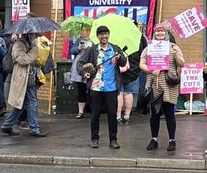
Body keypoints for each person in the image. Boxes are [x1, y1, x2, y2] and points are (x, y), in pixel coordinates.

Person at [76, 24, 129, 148]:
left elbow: (123, 63)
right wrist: (84, 73)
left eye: (106, 34)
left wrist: (119, 58)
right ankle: (95, 139)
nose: (104, 36)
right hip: (96, 87)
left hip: (111, 87)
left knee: (112, 115)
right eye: (101, 34)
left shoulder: (115, 49)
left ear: (108, 35)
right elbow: (79, 63)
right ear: (97, 36)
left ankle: (113, 140)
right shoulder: (92, 50)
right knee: (95, 115)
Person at [140, 23, 185, 152]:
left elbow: (182, 63)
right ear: (154, 33)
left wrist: (176, 54)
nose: (160, 33)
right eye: (157, 31)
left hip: (169, 84)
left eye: (162, 31)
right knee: (154, 114)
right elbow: (141, 64)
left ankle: (172, 140)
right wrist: (150, 69)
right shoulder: (149, 48)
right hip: (154, 83)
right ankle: (154, 139)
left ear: (166, 33)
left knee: (169, 113)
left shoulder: (173, 47)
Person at [0, 33, 48, 138]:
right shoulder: (19, 44)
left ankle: (7, 125)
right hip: (23, 78)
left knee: (21, 104)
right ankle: (34, 128)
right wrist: (35, 51)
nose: (34, 36)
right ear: (27, 34)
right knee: (32, 103)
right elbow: (22, 60)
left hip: (30, 77)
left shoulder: (29, 43)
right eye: (32, 34)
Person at [118, 23, 147, 124]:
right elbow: (144, 53)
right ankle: (127, 116)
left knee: (119, 93)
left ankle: (118, 116)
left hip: (119, 69)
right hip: (134, 69)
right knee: (128, 93)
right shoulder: (140, 38)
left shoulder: (118, 38)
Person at [68, 26, 93, 119]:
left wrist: (89, 49)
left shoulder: (93, 41)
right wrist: (79, 48)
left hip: (90, 66)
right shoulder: (79, 40)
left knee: (92, 89)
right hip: (79, 65)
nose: (83, 32)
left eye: (85, 30)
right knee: (81, 89)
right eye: (82, 30)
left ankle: (93, 109)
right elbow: (72, 51)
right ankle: (81, 111)